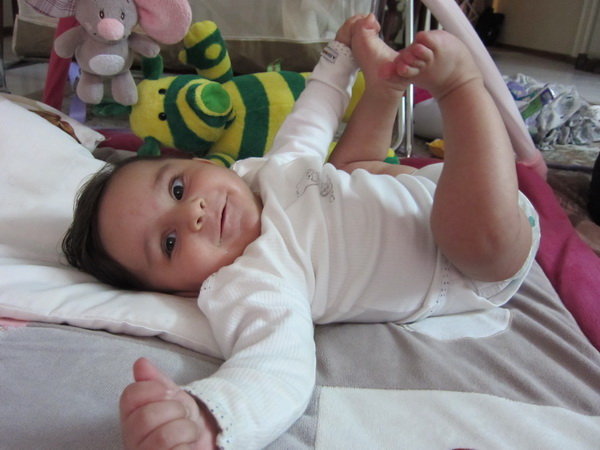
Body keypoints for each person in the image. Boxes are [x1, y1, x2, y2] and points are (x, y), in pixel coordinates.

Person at [62, 13, 539, 450]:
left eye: (179, 188)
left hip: (429, 185)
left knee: (344, 167)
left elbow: (310, 123)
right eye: (169, 243)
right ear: (184, 291)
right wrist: (211, 416)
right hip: (466, 260)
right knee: (470, 238)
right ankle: (462, 88)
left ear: (202, 163)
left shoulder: (258, 174)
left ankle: (383, 87)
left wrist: (340, 57)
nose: (194, 215)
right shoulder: (252, 280)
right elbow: (276, 365)